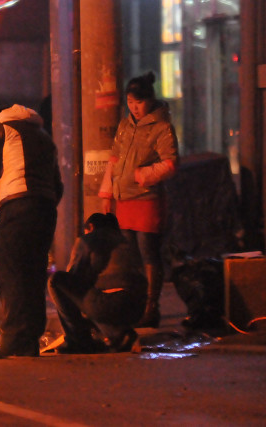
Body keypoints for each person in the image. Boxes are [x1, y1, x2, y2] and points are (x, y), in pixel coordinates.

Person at [0, 104, 63, 359]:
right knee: (33, 274)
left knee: (10, 272)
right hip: (44, 209)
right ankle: (29, 340)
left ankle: (14, 338)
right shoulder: (44, 137)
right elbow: (57, 183)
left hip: (18, 205)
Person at [99, 71, 179, 328]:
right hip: (125, 200)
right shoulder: (125, 125)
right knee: (131, 256)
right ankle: (135, 305)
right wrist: (107, 193)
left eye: (139, 102)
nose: (134, 108)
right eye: (130, 102)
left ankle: (151, 307)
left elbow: (170, 163)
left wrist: (141, 175)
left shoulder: (162, 127)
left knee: (148, 253)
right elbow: (114, 159)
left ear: (150, 100)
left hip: (146, 199)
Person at [48, 213, 147, 354]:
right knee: (99, 296)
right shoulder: (126, 242)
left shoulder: (88, 240)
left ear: (91, 227)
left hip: (110, 304)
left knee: (56, 281)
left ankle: (78, 340)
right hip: (138, 308)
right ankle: (119, 335)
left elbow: (73, 278)